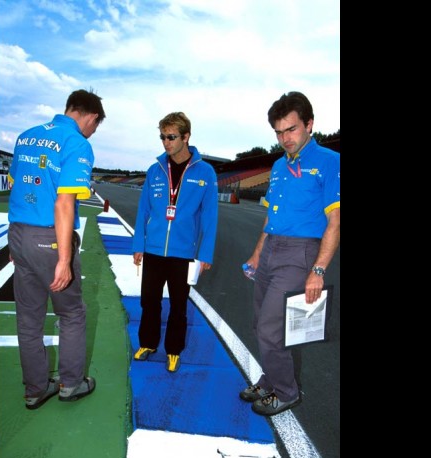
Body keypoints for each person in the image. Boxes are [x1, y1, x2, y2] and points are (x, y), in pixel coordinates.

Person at [241, 91, 340, 416]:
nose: (285, 138)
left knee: (271, 328)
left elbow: (335, 221)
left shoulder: (329, 161)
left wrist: (319, 269)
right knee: (260, 323)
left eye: (291, 129)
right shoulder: (278, 165)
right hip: (270, 250)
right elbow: (270, 217)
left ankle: (286, 392)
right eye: (279, 132)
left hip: (300, 254)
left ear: (309, 124)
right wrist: (257, 254)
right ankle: (271, 379)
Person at [7, 89, 105, 409]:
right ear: (90, 116)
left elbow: (16, 187)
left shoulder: (26, 137)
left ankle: (35, 388)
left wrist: (17, 244)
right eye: (95, 125)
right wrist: (64, 258)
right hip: (50, 239)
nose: (92, 131)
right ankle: (71, 384)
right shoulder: (77, 143)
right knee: (72, 312)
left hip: (19, 235)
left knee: (28, 319)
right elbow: (64, 203)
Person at [131, 112, 218, 373]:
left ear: (186, 137)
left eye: (171, 137)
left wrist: (206, 254)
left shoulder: (205, 171)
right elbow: (142, 211)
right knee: (149, 301)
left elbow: (210, 217)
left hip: (184, 253)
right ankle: (148, 343)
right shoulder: (155, 170)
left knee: (179, 306)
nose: (166, 142)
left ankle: (173, 350)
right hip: (154, 249)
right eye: (162, 137)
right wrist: (138, 245)